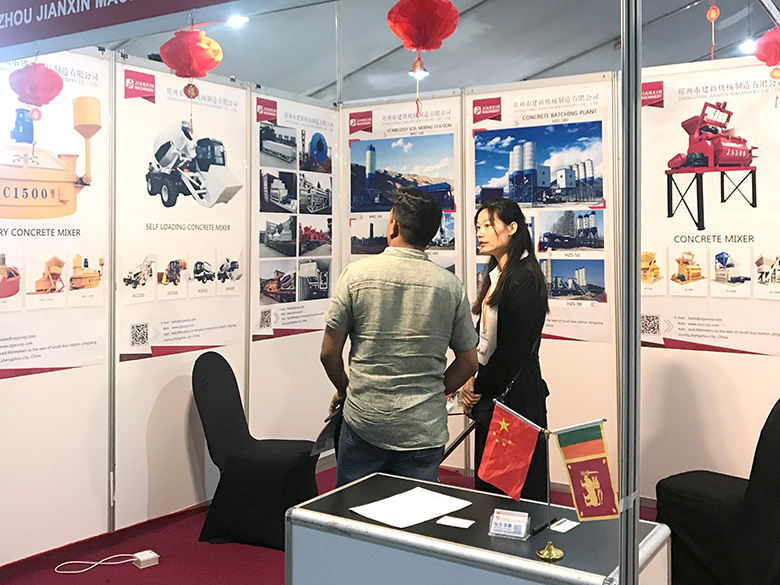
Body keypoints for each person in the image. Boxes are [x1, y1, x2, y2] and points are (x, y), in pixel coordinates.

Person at [320, 187, 479, 487]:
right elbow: (469, 362)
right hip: (423, 429)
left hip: (365, 421)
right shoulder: (450, 287)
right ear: (431, 235)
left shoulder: (355, 275)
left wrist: (345, 389)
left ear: (393, 225)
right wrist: (435, 392)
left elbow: (328, 353)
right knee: (414, 513)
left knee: (354, 509)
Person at [461, 198, 550, 501]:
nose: (480, 233)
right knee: (492, 487)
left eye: (488, 225)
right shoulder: (497, 274)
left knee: (513, 491)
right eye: (478, 226)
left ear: (512, 228)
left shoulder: (523, 278)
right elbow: (483, 336)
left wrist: (479, 385)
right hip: (493, 390)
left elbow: (511, 350)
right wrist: (470, 376)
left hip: (514, 396)